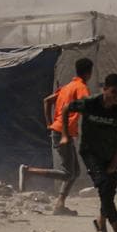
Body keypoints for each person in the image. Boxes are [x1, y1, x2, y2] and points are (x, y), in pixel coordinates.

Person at [62, 73, 117, 232]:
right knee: (103, 185)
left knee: (110, 186)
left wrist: (115, 160)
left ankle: (100, 222)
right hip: (90, 153)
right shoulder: (90, 103)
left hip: (110, 153)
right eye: (114, 91)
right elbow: (65, 109)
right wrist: (65, 134)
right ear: (105, 89)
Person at [20, 57, 93, 215]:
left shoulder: (67, 87)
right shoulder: (80, 87)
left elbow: (47, 101)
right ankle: (29, 171)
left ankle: (60, 205)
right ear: (89, 73)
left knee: (75, 171)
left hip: (60, 131)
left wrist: (49, 123)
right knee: (69, 173)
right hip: (62, 133)